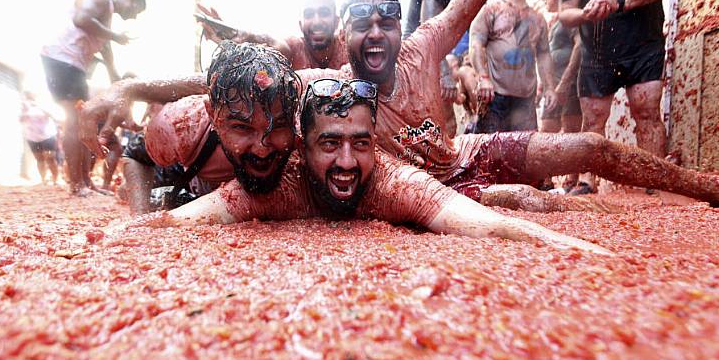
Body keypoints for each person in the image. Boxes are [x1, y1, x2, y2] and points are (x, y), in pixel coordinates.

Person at [80, 0, 719, 211]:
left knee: (591, 147)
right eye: (362, 26)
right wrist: (134, 85)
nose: (376, 36)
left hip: (468, 154)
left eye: (385, 24)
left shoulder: (427, 44)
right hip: (412, 191)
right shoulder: (325, 81)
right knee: (517, 204)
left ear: (401, 27)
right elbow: (224, 87)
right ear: (344, 37)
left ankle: (709, 186)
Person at [157, 78, 608, 254]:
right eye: (330, 144)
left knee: (532, 191)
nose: (348, 162)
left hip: (450, 161)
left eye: (361, 144)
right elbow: (173, 224)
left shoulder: (395, 184)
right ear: (301, 147)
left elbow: (487, 225)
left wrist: (583, 250)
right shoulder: (272, 185)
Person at [559, 0, 679, 192]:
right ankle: (586, 182)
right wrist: (586, 12)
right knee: (592, 120)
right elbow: (564, 13)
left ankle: (654, 178)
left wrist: (620, 2)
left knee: (646, 111)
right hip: (597, 53)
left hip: (643, 47)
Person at [123, 42, 301, 214]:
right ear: (213, 115)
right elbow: (135, 155)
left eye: (277, 126)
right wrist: (139, 214)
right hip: (182, 174)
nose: (262, 150)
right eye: (242, 127)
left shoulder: (307, 123)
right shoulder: (183, 126)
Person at [41, 0, 146, 196]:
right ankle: (76, 184)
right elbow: (81, 19)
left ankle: (87, 182)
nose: (132, 17)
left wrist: (120, 83)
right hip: (63, 59)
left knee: (82, 120)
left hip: (74, 65)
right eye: (136, 11)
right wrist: (115, 36)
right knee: (74, 119)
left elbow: (109, 60)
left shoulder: (105, 21)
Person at [404, 0, 485, 137]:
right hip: (416, 66)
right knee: (444, 127)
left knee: (441, 128)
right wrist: (445, 75)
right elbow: (430, 35)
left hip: (420, 65)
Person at [470, 0, 558, 133]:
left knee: (523, 153)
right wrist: (483, 78)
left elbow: (544, 55)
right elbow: (476, 44)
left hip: (525, 101)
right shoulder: (491, 10)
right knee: (489, 151)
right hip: (495, 96)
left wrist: (549, 88)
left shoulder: (539, 19)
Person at [198, 0, 348, 71]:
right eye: (309, 14)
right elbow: (272, 45)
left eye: (324, 12)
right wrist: (234, 40)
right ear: (301, 25)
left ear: (336, 21)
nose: (316, 21)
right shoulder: (293, 50)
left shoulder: (349, 47)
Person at [537, 0, 583, 192]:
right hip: (551, 87)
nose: (545, 2)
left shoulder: (569, 18)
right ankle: (545, 180)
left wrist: (564, 83)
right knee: (546, 131)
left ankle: (572, 180)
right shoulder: (554, 21)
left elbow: (579, 46)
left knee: (572, 131)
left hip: (569, 84)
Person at [19, 92, 60, 185]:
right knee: (39, 159)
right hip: (32, 136)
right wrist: (25, 111)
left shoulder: (43, 104)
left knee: (50, 157)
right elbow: (20, 120)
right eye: (26, 98)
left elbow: (53, 116)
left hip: (47, 135)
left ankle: (55, 179)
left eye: (29, 98)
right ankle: (43, 179)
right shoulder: (24, 108)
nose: (28, 100)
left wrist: (39, 106)